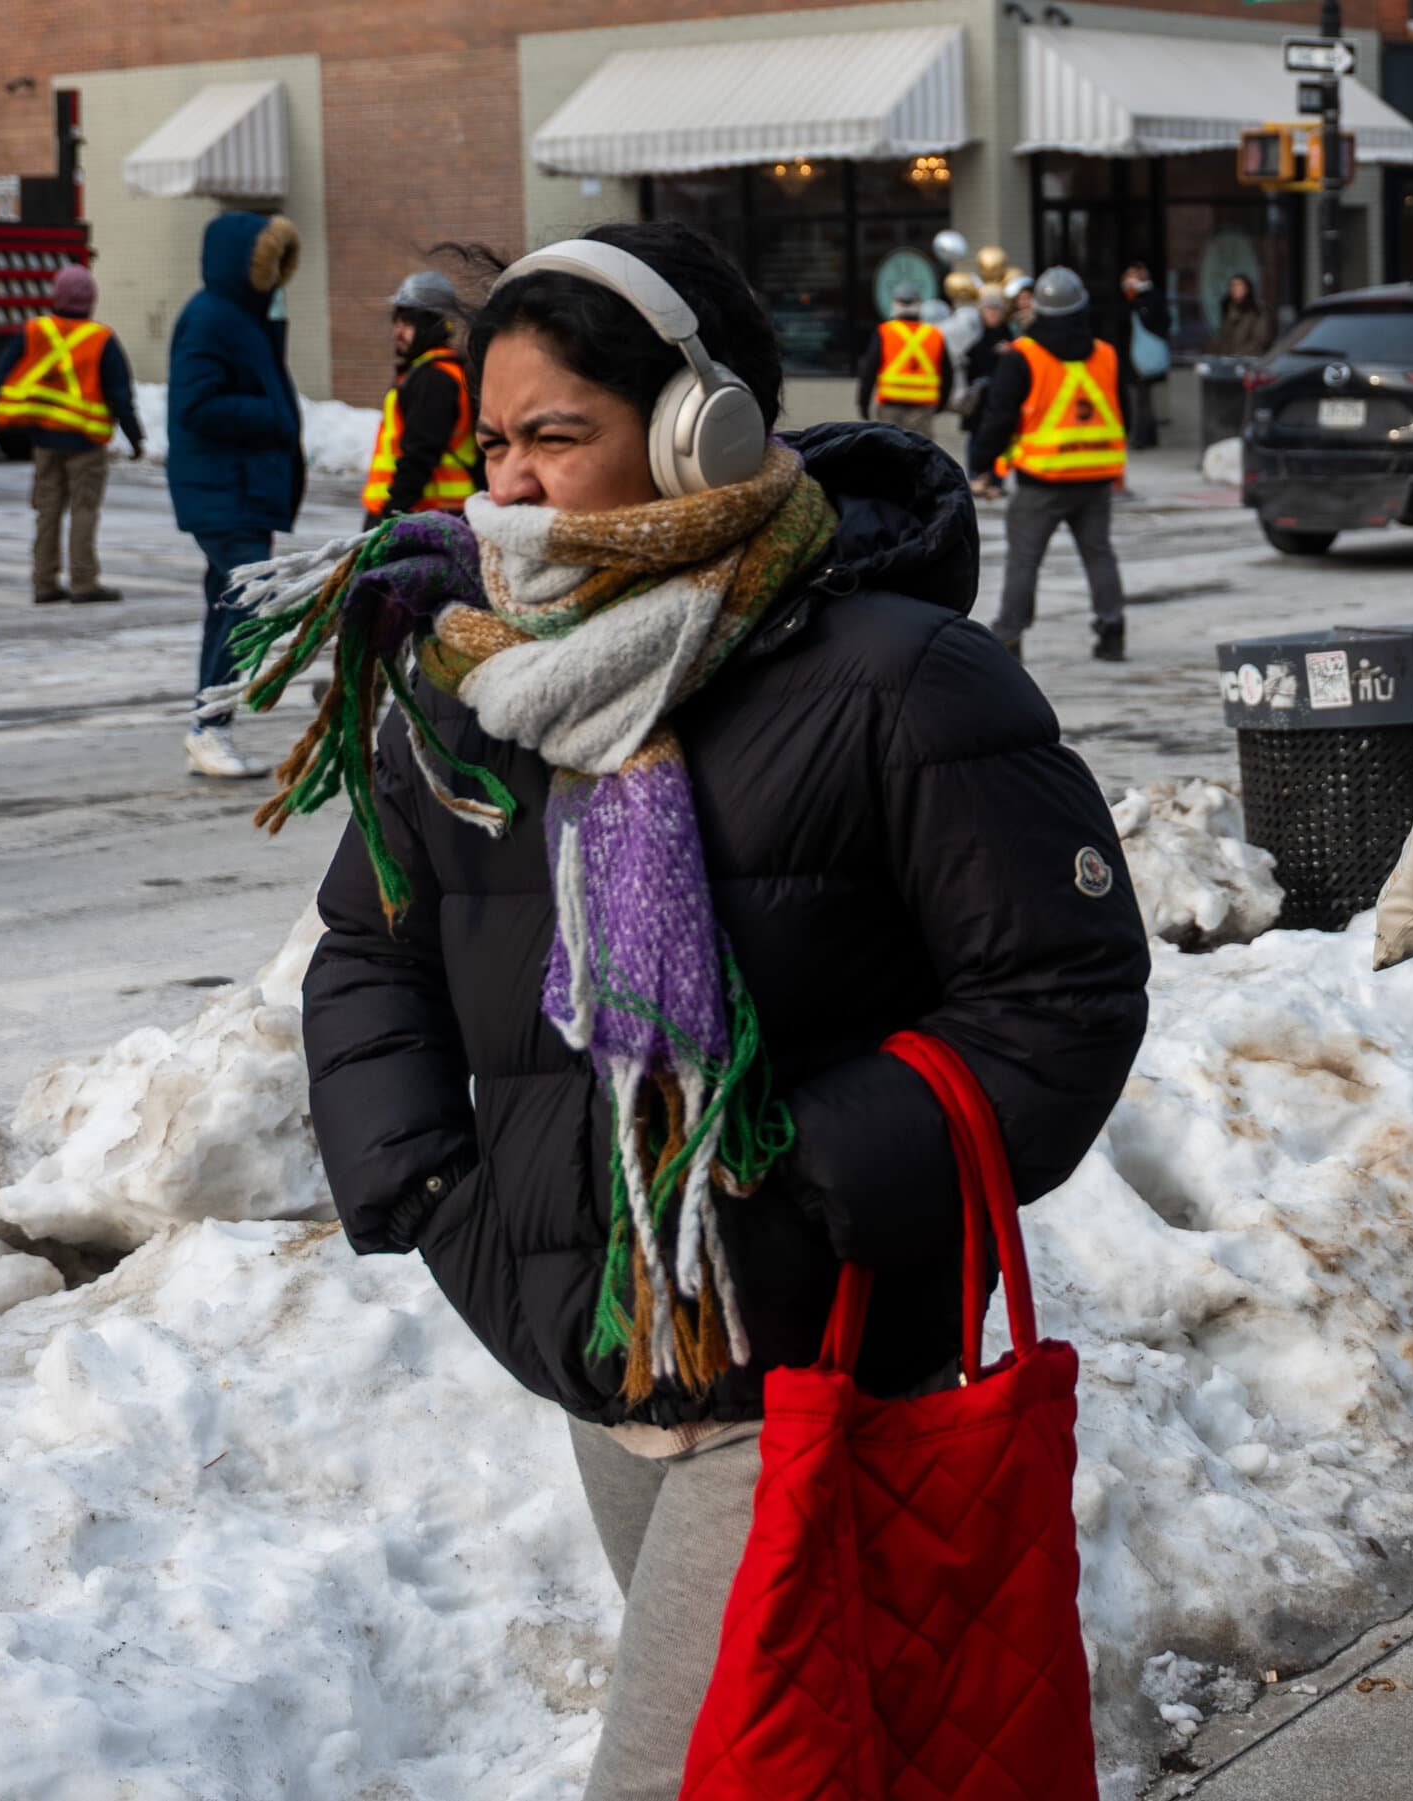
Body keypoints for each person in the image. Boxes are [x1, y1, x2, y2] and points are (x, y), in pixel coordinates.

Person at [270, 221, 1149, 1798]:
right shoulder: (467, 680)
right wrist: (424, 1186)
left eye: (558, 437)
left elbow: (1059, 994)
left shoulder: (898, 678)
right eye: (495, 444)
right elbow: (367, 946)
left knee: (679, 1775)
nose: (512, 486)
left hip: (816, 1348)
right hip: (593, 1342)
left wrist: (800, 1174)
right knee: (803, 1751)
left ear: (701, 428)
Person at [167, 212, 304, 781]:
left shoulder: (243, 316)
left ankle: (209, 723)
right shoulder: (210, 318)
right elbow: (193, 405)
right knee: (253, 600)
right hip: (222, 489)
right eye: (267, 264)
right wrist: (271, 414)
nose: (274, 278)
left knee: (227, 604)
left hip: (240, 488)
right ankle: (210, 726)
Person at [972, 264, 1128, 664]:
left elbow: (998, 416)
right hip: (1095, 478)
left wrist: (982, 465)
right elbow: (1119, 408)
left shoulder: (1023, 356)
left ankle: (1009, 636)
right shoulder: (1106, 355)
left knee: (1024, 557)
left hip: (1043, 480)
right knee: (1099, 554)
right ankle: (1112, 631)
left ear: (1037, 310)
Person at [0, 265, 145, 605]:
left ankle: (44, 582)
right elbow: (120, 395)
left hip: (44, 439)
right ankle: (83, 582)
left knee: (47, 511)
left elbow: (2, 373)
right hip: (86, 444)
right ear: (90, 301)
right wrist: (135, 437)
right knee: (83, 511)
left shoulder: (33, 331)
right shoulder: (101, 339)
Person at [361, 270, 478, 526]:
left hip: (423, 515)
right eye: (397, 320)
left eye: (408, 322)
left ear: (432, 325)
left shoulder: (434, 379)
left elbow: (420, 453)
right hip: (433, 513)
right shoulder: (433, 372)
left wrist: (391, 513)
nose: (398, 331)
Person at [854, 281, 953, 440]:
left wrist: (863, 403)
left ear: (895, 304)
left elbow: (869, 370)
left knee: (890, 453)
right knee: (919, 454)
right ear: (919, 304)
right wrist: (941, 404)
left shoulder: (885, 332)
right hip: (922, 409)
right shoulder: (934, 334)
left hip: (890, 407)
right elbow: (948, 374)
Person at [1117, 262, 1171, 451]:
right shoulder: (1124, 298)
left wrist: (1138, 302)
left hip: (1144, 354)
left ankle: (1141, 436)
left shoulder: (1151, 296)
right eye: (1128, 275)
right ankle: (1147, 434)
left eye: (1135, 275)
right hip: (1128, 354)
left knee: (1142, 397)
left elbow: (1160, 322)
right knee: (1139, 396)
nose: (1131, 279)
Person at [961, 288, 1011, 491]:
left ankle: (997, 480)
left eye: (997, 310)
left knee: (1002, 441)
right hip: (979, 399)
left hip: (1001, 398)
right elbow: (969, 364)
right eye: (989, 310)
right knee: (975, 438)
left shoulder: (1008, 334)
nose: (993, 314)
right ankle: (976, 477)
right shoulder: (974, 335)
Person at [1213, 273, 1273, 359]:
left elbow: (1261, 339)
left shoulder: (1257, 309)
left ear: (1247, 288)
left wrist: (1237, 355)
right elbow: (1223, 338)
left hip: (1250, 359)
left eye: (1239, 285)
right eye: (1233, 285)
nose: (1235, 289)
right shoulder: (1227, 308)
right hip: (1227, 359)